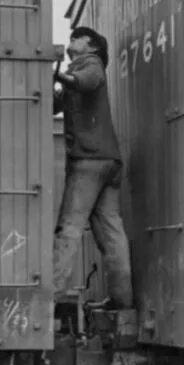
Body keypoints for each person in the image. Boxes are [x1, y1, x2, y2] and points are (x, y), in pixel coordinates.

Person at [52, 26, 133, 309]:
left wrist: (61, 75)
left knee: (70, 227)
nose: (71, 38)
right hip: (109, 161)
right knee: (111, 232)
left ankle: (52, 297)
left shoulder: (92, 63)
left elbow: (88, 80)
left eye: (78, 36)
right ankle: (123, 301)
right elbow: (54, 104)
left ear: (92, 45)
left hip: (89, 160)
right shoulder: (76, 73)